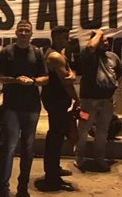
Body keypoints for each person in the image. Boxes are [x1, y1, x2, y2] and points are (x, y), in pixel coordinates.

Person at [0, 20, 48, 197]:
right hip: (12, 107)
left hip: (32, 107)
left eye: (27, 30)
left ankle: (22, 188)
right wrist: (15, 80)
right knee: (9, 147)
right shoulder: (6, 51)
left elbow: (45, 78)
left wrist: (32, 81)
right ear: (16, 33)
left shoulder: (37, 52)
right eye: (21, 30)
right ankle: (3, 188)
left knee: (28, 148)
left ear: (31, 34)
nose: (24, 33)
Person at [75, 30, 122, 172]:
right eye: (102, 41)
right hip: (87, 101)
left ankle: (99, 157)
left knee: (103, 131)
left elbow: (121, 71)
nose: (106, 43)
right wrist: (99, 33)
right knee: (83, 130)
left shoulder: (113, 57)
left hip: (106, 101)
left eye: (107, 41)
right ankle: (79, 157)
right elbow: (91, 47)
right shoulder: (88, 55)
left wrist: (116, 83)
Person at [39, 26, 79, 191]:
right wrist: (77, 99)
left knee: (57, 136)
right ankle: (52, 177)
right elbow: (66, 82)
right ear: (55, 38)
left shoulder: (57, 54)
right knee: (55, 138)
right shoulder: (55, 56)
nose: (67, 40)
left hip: (56, 101)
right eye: (64, 37)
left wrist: (73, 75)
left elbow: (69, 74)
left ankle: (54, 169)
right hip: (56, 101)